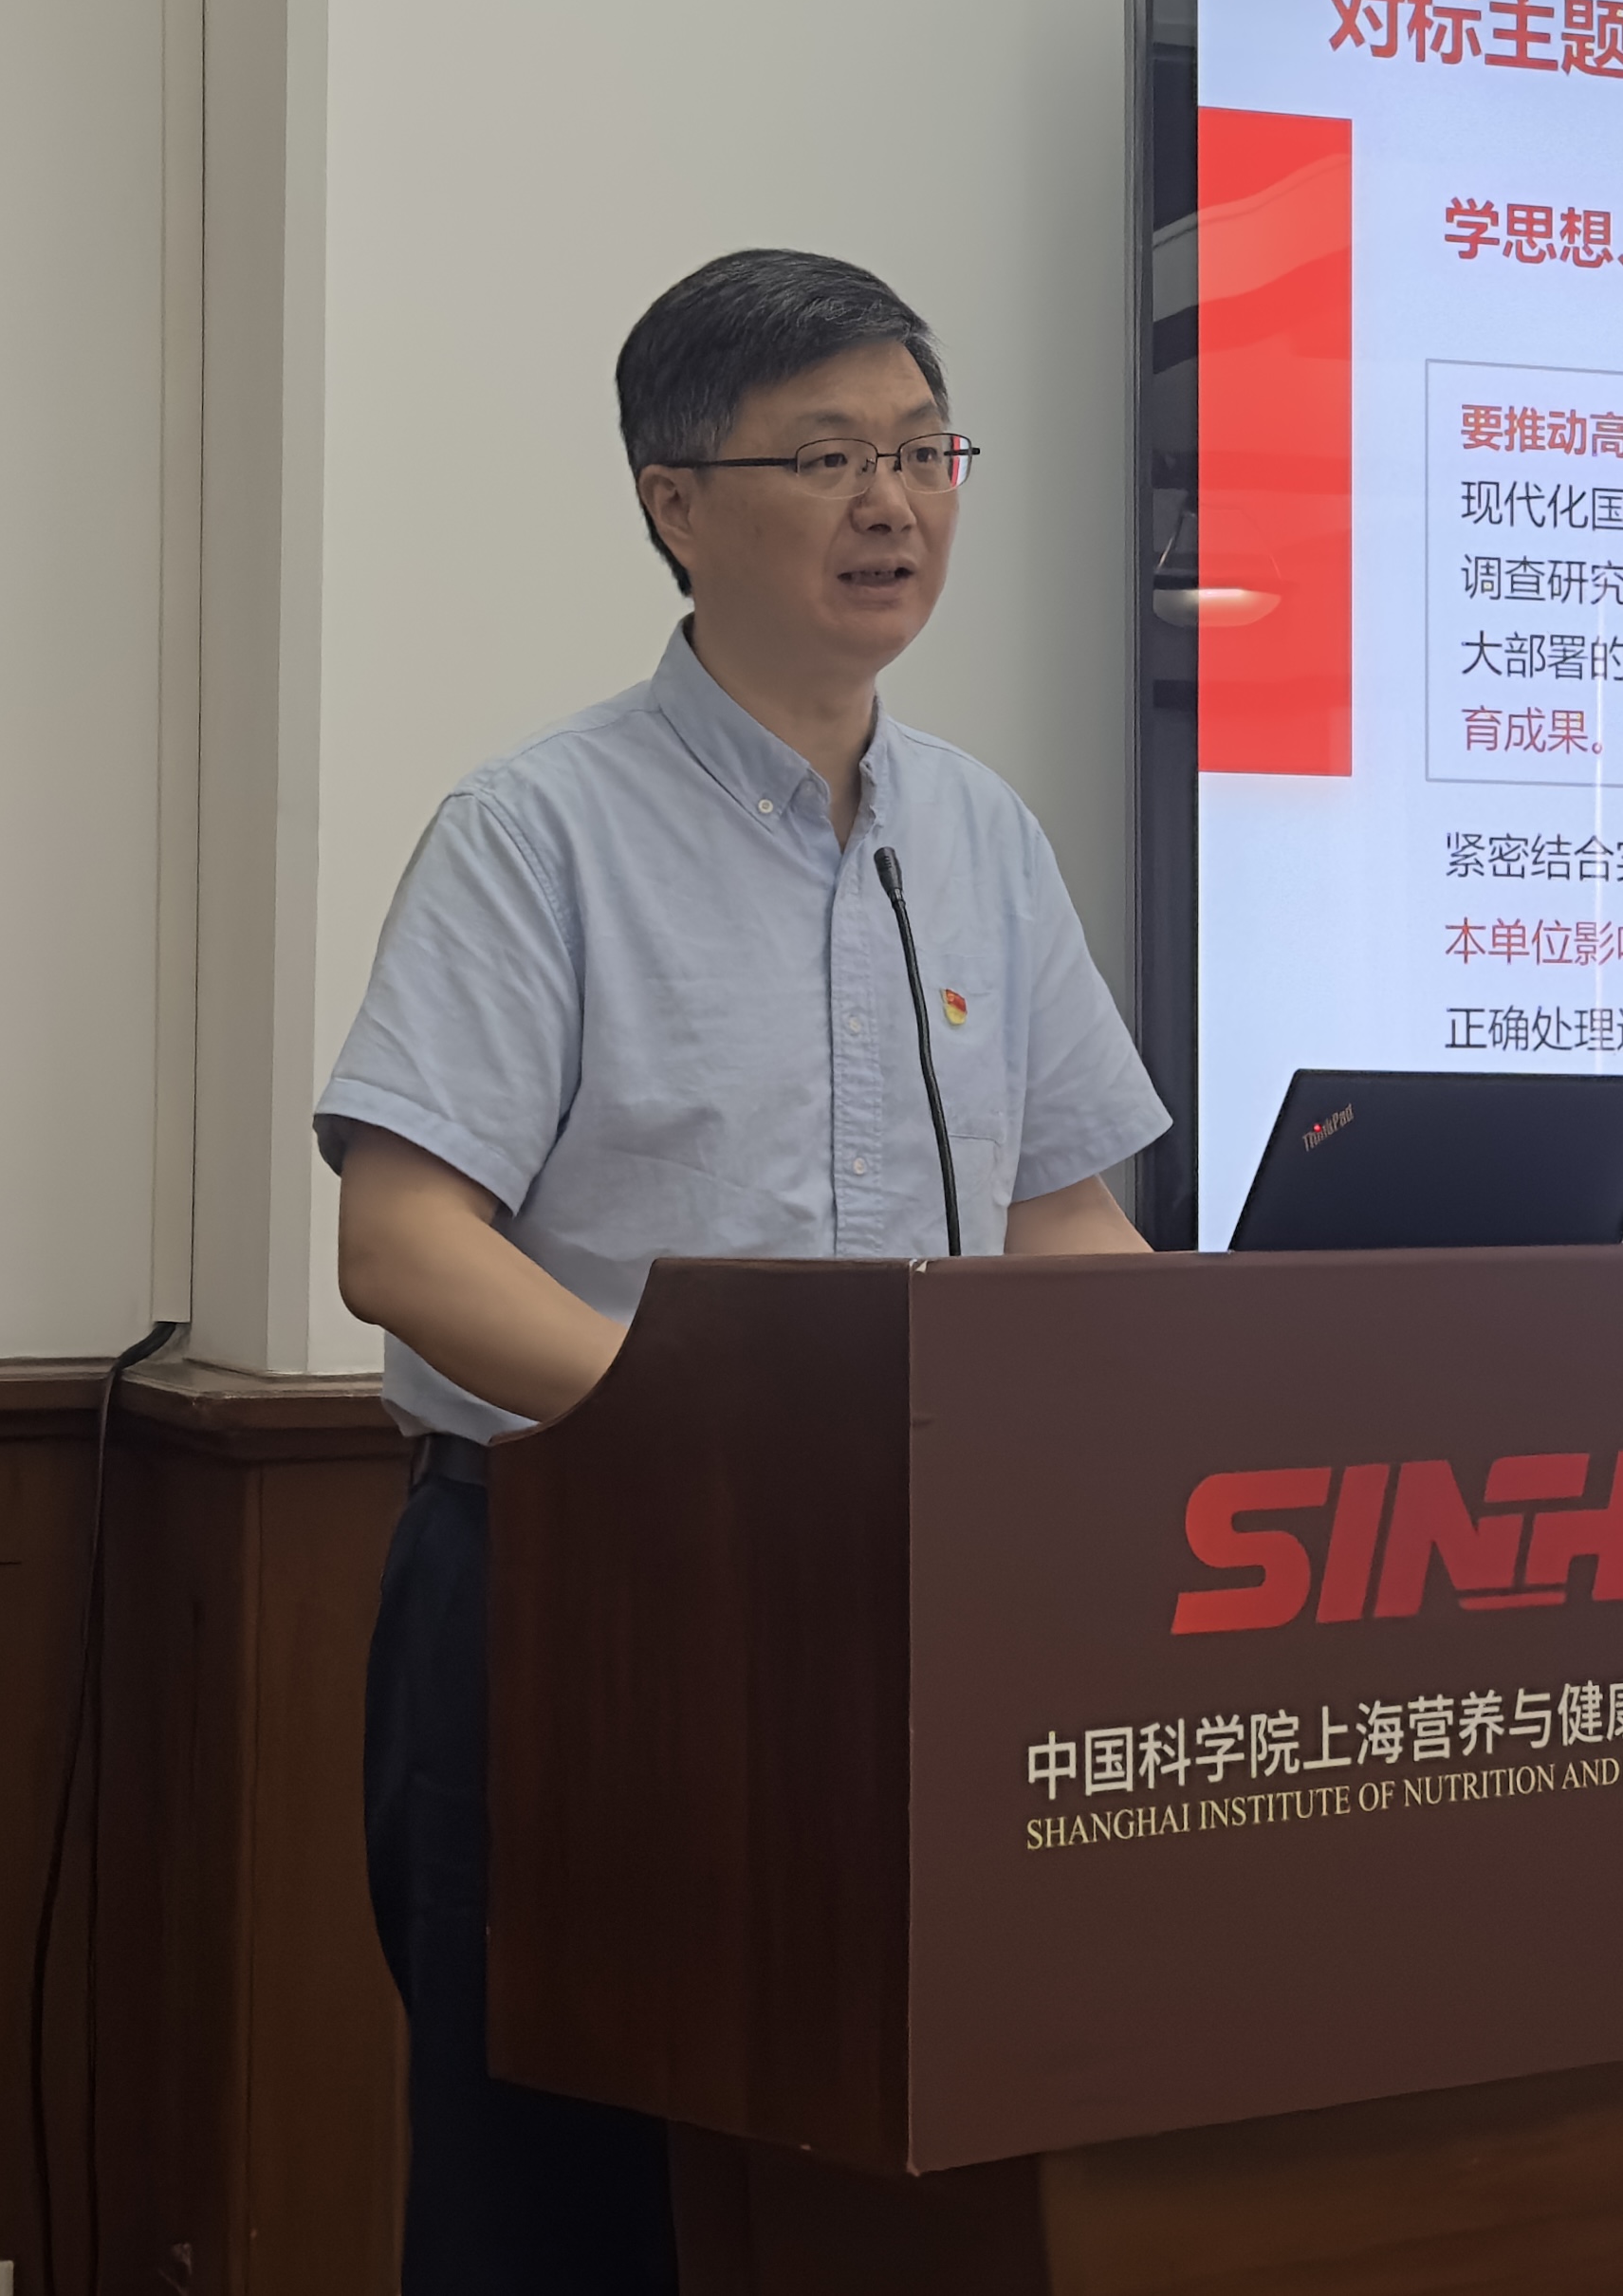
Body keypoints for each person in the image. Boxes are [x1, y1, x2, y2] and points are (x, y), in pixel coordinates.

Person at [321, 249, 1168, 2292]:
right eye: (828, 457)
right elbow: (404, 1239)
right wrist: (700, 1436)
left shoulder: (980, 834)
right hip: (581, 1596)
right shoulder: (536, 829)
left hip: (915, 1603)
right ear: (675, 501)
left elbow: (1062, 1213)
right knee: (567, 2206)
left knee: (878, 2175)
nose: (895, 504)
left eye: (925, 452)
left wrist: (1171, 1417)